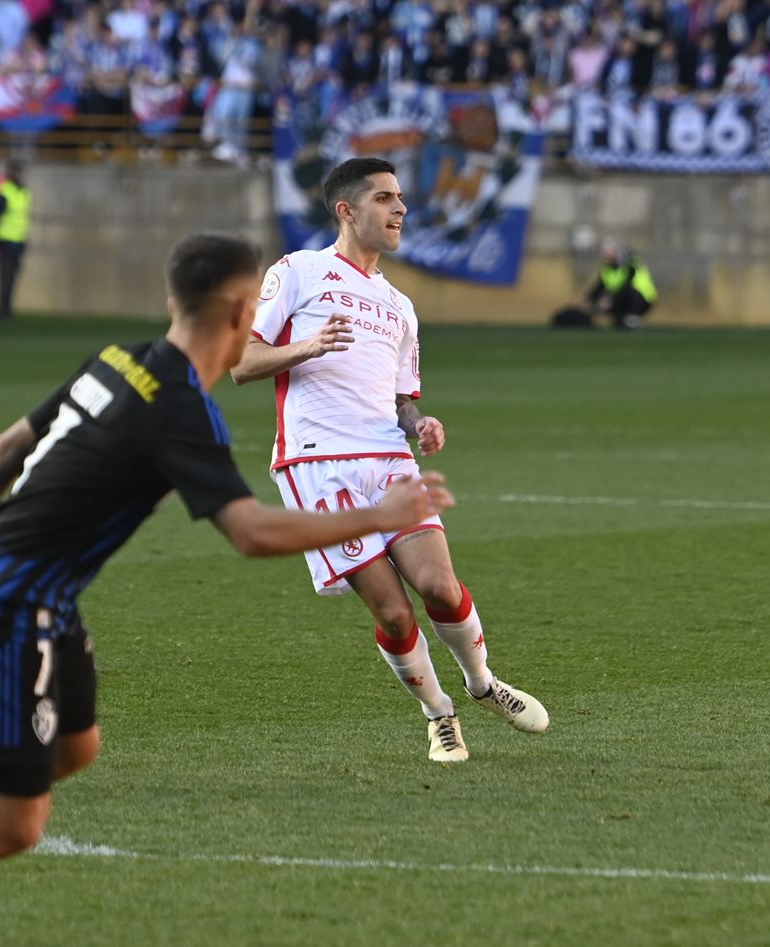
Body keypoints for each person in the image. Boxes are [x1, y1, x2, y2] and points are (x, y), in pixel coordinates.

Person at [0, 232, 454, 947]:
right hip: (8, 607)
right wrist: (377, 516)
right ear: (244, 309)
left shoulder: (121, 358)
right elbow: (249, 532)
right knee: (14, 823)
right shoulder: (182, 408)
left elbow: (5, 447)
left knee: (72, 747)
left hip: (33, 593)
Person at [231, 157, 549, 764]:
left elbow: (402, 397)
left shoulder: (399, 305)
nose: (400, 208)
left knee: (438, 585)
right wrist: (309, 345)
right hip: (319, 466)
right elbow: (243, 363)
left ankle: (483, 684)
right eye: (384, 198)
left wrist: (418, 423)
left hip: (389, 456)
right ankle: (440, 716)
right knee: (396, 613)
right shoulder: (298, 271)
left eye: (401, 197)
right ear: (346, 211)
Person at [0, 160, 29, 320]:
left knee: (13, 276)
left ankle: (8, 307)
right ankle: (3, 309)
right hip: (5, 240)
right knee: (5, 275)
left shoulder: (24, 192)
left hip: (19, 240)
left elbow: (23, 218)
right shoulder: (5, 191)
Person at [584, 240, 657, 330]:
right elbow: (600, 286)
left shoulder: (632, 264)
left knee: (626, 291)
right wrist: (587, 299)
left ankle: (632, 317)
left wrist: (609, 298)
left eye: (610, 252)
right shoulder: (607, 269)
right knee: (600, 299)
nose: (607, 256)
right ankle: (622, 319)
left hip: (643, 299)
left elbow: (626, 285)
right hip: (619, 299)